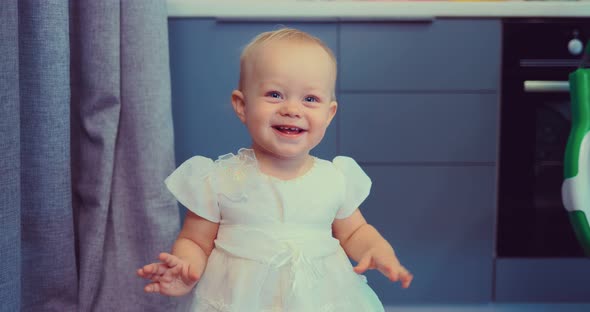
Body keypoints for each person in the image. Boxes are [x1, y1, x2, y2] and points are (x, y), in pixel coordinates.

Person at [137, 27, 413, 311]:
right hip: (240, 300)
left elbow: (355, 233)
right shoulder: (218, 179)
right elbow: (195, 240)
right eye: (275, 94)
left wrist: (377, 250)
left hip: (319, 299)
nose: (292, 109)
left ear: (329, 114)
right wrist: (185, 268)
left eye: (310, 99)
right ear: (242, 105)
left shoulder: (334, 179)